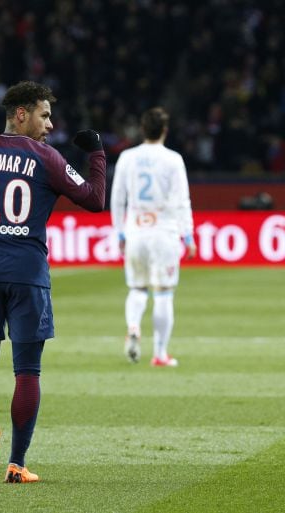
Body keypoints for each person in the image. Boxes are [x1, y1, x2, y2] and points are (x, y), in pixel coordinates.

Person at [0, 81, 106, 483]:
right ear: (22, 114)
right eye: (44, 115)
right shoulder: (46, 157)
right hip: (29, 275)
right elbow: (95, 200)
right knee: (27, 371)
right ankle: (16, 463)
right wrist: (95, 151)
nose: (50, 125)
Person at [110, 107, 196, 367]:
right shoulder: (173, 159)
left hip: (136, 230)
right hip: (164, 233)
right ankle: (159, 354)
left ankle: (133, 326)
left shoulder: (127, 157)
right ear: (165, 131)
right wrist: (188, 236)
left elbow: (117, 199)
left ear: (142, 130)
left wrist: (120, 232)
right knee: (163, 293)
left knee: (137, 288)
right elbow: (182, 200)